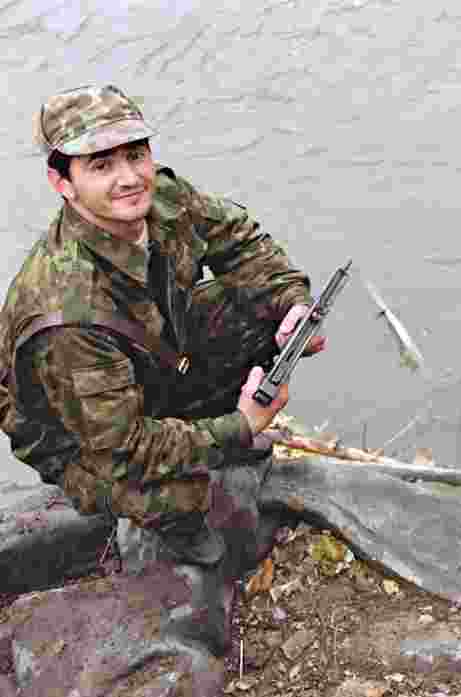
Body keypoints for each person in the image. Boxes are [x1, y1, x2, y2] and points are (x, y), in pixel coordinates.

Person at [0, 84, 326, 566]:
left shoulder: (163, 199)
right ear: (62, 183)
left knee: (255, 307)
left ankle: (202, 432)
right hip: (79, 438)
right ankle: (173, 520)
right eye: (101, 165)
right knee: (182, 496)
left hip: (148, 363)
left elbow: (237, 240)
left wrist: (290, 301)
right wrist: (238, 427)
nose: (129, 178)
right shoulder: (65, 310)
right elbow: (122, 448)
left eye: (136, 155)